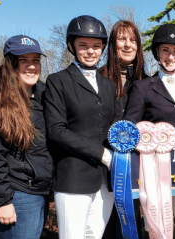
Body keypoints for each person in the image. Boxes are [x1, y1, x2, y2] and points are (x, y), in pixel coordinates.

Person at [124, 23, 175, 239]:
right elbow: (130, 127)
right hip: (153, 172)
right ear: (157, 53)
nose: (170, 56)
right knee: (156, 232)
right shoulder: (142, 87)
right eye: (165, 50)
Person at [0, 35, 52, 238]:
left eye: (36, 61)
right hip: (15, 193)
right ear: (10, 64)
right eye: (23, 61)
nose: (32, 67)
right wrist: (2, 201)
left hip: (38, 192)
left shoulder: (47, 98)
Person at [43, 15, 115, 239]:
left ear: (103, 47)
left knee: (95, 235)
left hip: (107, 179)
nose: (91, 51)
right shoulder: (58, 81)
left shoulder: (108, 84)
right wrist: (102, 153)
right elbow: (56, 130)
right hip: (74, 176)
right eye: (83, 45)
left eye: (96, 46)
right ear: (71, 46)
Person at [99, 20, 147, 239]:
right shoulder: (97, 79)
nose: (128, 45)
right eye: (121, 39)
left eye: (133, 39)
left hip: (141, 170)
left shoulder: (148, 83)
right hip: (103, 169)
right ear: (112, 44)